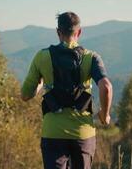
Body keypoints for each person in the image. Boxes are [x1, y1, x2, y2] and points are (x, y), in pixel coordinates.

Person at [21, 12, 113, 169]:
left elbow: (25, 95)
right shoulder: (91, 57)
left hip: (53, 133)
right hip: (83, 134)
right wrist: (104, 115)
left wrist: (40, 84)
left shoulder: (41, 57)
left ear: (58, 32)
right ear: (79, 32)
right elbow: (106, 87)